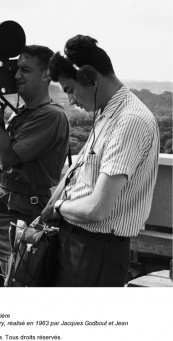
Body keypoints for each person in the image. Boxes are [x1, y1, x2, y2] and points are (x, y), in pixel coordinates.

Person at [41, 35, 160, 287]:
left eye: (70, 90)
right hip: (77, 242)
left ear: (87, 76)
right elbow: (80, 169)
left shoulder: (130, 121)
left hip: (95, 251)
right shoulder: (107, 113)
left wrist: (60, 207)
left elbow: (98, 209)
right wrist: (47, 211)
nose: (71, 100)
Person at [0, 45, 70, 286]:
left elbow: (7, 157)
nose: (17, 76)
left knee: (16, 292)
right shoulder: (19, 115)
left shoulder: (51, 116)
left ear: (46, 75)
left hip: (21, 221)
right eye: (16, 69)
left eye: (25, 70)